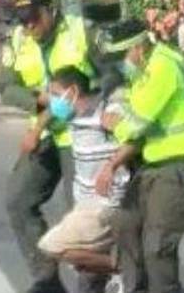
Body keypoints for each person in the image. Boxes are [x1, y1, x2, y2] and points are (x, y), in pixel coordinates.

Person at [95, 20, 184, 293]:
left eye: (122, 57)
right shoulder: (144, 71)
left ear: (136, 48)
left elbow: (134, 124)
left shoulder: (163, 68)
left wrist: (114, 124)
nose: (119, 66)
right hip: (154, 165)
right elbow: (125, 112)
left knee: (157, 241)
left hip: (182, 165)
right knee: (125, 222)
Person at [0, 0, 108, 293]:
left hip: (84, 133)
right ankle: (46, 278)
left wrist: (84, 98)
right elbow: (6, 87)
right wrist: (40, 101)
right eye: (23, 19)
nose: (29, 24)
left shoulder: (81, 31)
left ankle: (90, 292)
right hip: (47, 133)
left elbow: (113, 75)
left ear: (51, 9)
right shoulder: (17, 40)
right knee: (18, 200)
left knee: (83, 213)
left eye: (34, 16)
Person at [36, 66, 132, 278]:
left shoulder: (105, 112)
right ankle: (122, 273)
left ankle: (126, 268)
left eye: (56, 94)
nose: (52, 101)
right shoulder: (72, 115)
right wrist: (34, 132)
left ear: (73, 92)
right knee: (77, 260)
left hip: (104, 203)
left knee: (52, 246)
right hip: (85, 202)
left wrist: (111, 167)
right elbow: (46, 106)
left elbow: (134, 139)